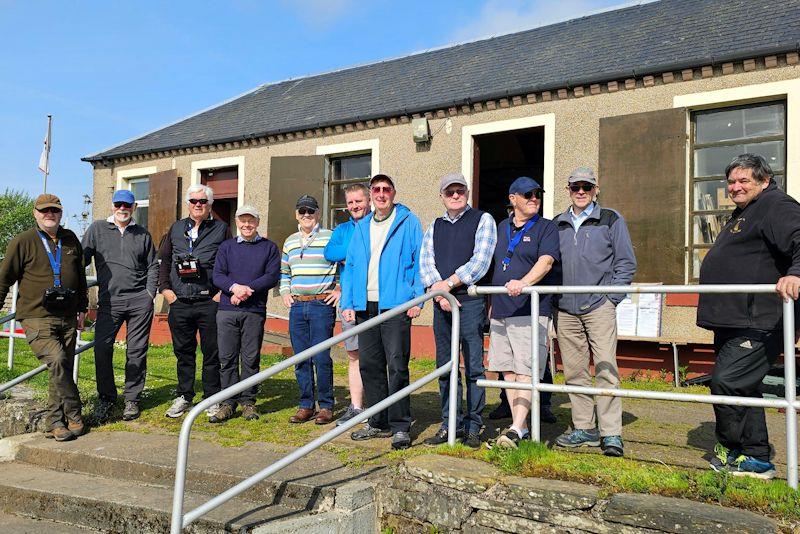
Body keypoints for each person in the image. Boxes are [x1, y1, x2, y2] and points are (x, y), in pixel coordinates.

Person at [697, 154, 800, 479]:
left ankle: (730, 447)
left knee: (727, 381)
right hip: (733, 318)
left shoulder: (776, 205)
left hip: (759, 320)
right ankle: (756, 459)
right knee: (746, 389)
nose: (735, 187)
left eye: (744, 181)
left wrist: (795, 274)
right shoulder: (745, 212)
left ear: (764, 181)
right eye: (731, 182)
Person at [553, 166, 636, 457]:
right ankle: (584, 427)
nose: (581, 192)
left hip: (599, 306)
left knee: (605, 368)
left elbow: (626, 263)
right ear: (568, 190)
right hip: (565, 308)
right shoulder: (557, 224)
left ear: (595, 189)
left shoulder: (611, 219)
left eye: (586, 187)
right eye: (575, 187)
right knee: (574, 371)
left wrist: (611, 298)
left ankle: (611, 432)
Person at [342, 174, 424, 450]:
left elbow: (418, 262)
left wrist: (417, 300)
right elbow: (351, 267)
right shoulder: (362, 226)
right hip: (366, 305)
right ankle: (378, 421)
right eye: (375, 189)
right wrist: (349, 303)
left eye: (385, 189)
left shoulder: (408, 221)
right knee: (370, 365)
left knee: (397, 365)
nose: (380, 194)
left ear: (393, 193)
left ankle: (401, 425)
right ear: (371, 194)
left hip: (396, 305)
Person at [0, 194, 89, 441]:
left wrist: (83, 308)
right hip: (37, 316)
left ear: (60, 213)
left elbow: (80, 278)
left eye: (54, 210)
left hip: (69, 315)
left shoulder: (70, 239)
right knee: (58, 360)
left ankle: (54, 422)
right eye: (44, 210)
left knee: (60, 368)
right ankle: (74, 412)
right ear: (35, 213)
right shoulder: (23, 241)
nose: (50, 214)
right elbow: (4, 278)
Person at [419, 172, 496, 449]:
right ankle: (449, 422)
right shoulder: (434, 226)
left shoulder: (482, 220)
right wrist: (440, 293)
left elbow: (481, 261)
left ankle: (474, 425)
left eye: (459, 191)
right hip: (442, 304)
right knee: (446, 366)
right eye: (449, 192)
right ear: (441, 196)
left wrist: (448, 285)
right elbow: (425, 262)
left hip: (470, 302)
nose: (455, 195)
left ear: (467, 193)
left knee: (473, 366)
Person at [486, 177, 560, 448]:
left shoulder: (546, 227)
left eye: (538, 193)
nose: (534, 198)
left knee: (526, 370)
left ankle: (516, 427)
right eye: (528, 194)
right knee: (507, 369)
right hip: (502, 309)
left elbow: (546, 261)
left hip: (530, 309)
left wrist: (524, 283)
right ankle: (521, 427)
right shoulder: (501, 226)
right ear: (513, 198)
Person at [82, 189, 158, 423]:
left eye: (127, 205)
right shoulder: (97, 229)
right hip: (109, 301)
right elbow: (79, 261)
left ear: (134, 207)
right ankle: (106, 398)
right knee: (102, 349)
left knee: (136, 351)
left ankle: (132, 399)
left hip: (138, 301)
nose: (122, 209)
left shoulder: (142, 234)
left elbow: (153, 265)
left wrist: (149, 294)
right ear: (113, 206)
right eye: (118, 205)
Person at [158, 184, 231, 419]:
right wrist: (165, 290)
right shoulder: (176, 228)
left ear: (209, 204)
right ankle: (184, 396)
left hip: (208, 301)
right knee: (183, 352)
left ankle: (211, 397)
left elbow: (229, 262)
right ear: (188, 203)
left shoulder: (221, 229)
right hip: (180, 301)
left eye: (202, 201)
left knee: (212, 352)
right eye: (193, 201)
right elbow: (165, 261)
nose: (197, 205)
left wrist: (220, 294)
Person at [210, 205, 280, 423]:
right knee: (227, 358)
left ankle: (248, 401)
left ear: (257, 223)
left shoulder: (269, 248)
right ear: (237, 223)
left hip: (254, 310)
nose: (247, 225)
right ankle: (227, 402)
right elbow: (218, 275)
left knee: (250, 358)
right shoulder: (226, 247)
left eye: (251, 221)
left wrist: (246, 290)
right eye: (243, 221)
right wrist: (234, 288)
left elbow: (271, 276)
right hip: (227, 311)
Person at [279, 195, 340, 425]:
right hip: (297, 305)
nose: (307, 215)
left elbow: (342, 265)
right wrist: (285, 293)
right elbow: (284, 272)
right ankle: (306, 405)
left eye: (311, 211)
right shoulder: (290, 241)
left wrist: (340, 289)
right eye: (302, 211)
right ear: (296, 214)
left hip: (321, 304)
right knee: (301, 358)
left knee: (322, 357)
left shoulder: (330, 237)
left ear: (318, 214)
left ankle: (325, 406)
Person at [324, 183, 371, 426]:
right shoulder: (342, 229)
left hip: (375, 299)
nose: (355, 206)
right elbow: (330, 252)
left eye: (359, 201)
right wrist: (357, 253)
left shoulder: (377, 225)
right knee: (354, 355)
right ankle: (355, 407)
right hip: (350, 301)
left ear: (369, 200)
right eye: (351, 202)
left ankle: (375, 406)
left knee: (375, 356)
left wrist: (350, 255)